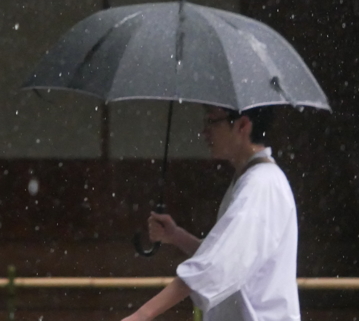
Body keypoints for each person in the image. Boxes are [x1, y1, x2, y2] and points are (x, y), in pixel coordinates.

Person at [120, 105, 300, 321]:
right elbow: (224, 255)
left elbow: (218, 264)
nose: (204, 132)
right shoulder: (252, 179)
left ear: (242, 125)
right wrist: (177, 236)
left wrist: (141, 315)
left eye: (212, 122)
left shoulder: (261, 184)